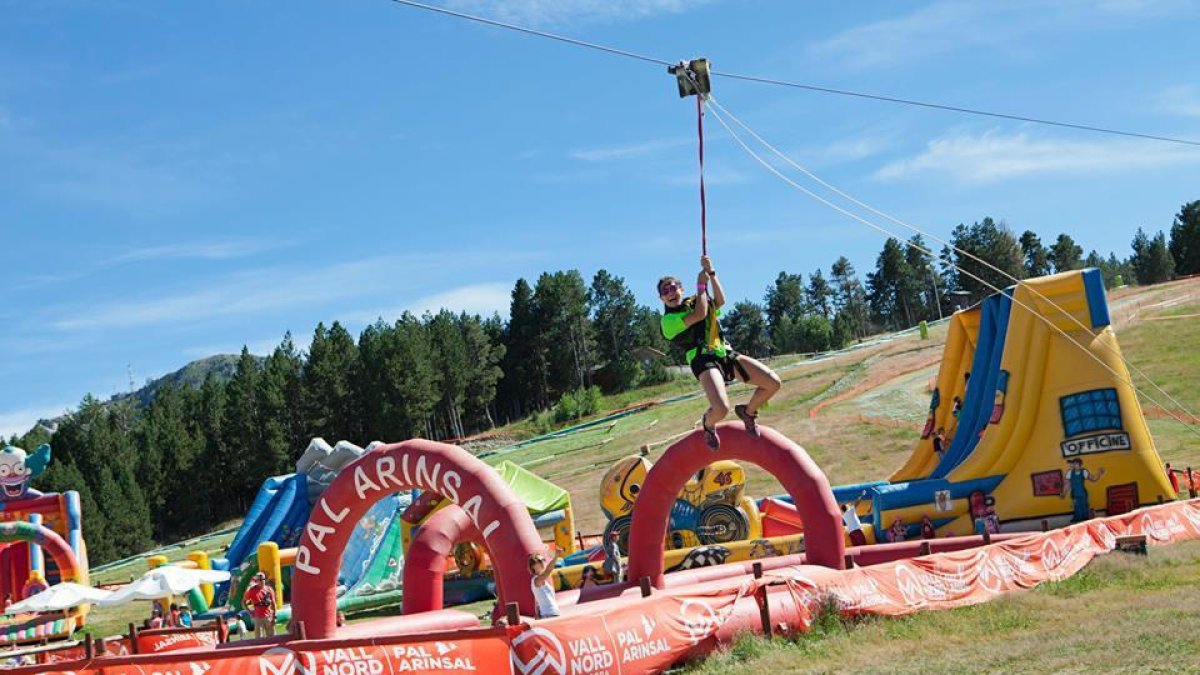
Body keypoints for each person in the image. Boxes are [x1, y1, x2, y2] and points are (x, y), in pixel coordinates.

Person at [659, 256, 782, 450]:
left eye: (673, 287)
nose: (670, 293)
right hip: (702, 359)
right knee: (721, 408)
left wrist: (712, 274)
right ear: (661, 299)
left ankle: (748, 412)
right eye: (665, 291)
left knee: (772, 383)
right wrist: (701, 287)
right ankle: (708, 424)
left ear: (681, 289)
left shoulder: (696, 301)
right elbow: (700, 314)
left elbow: (720, 301)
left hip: (724, 353)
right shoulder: (668, 321)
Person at [1062, 458, 1106, 522]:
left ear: (1080, 464)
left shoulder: (1084, 471)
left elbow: (1093, 478)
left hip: (1083, 493)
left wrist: (1099, 473)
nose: (1074, 465)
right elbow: (1067, 484)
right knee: (1076, 506)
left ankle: (1085, 519)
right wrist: (1064, 492)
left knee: (1084, 506)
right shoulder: (1070, 472)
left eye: (1076, 464)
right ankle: (1077, 519)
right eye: (1073, 464)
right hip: (1074, 493)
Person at [528, 547, 560, 619]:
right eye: (539, 561)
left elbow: (537, 602)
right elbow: (548, 571)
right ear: (533, 566)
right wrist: (556, 557)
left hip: (551, 613)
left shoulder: (540, 580)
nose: (542, 562)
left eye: (543, 560)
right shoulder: (536, 580)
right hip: (549, 614)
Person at [242, 572, 277, 638]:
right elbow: (243, 602)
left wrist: (275, 617)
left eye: (263, 579)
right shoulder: (252, 590)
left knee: (272, 637)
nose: (261, 581)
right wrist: (249, 612)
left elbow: (273, 603)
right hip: (258, 617)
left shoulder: (269, 589)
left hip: (269, 616)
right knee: (259, 638)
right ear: (256, 581)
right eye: (259, 580)